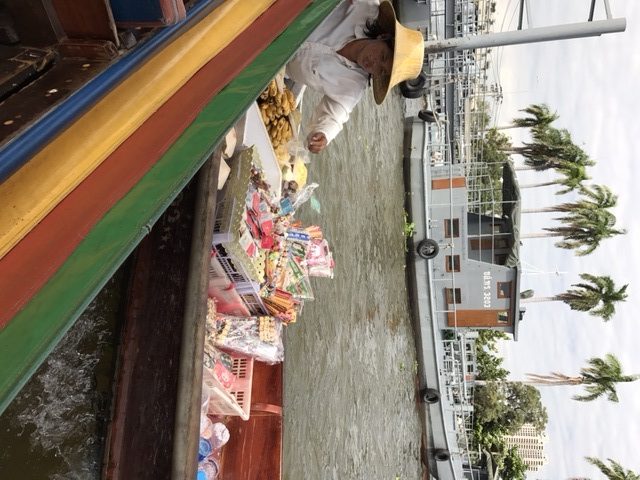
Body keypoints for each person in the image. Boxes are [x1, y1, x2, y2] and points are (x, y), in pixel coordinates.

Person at [286, 0, 424, 153]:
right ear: (383, 37)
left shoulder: (354, 85)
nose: (374, 64)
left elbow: (337, 114)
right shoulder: (365, 8)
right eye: (383, 56)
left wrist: (324, 134)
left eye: (382, 70)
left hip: (276, 66)